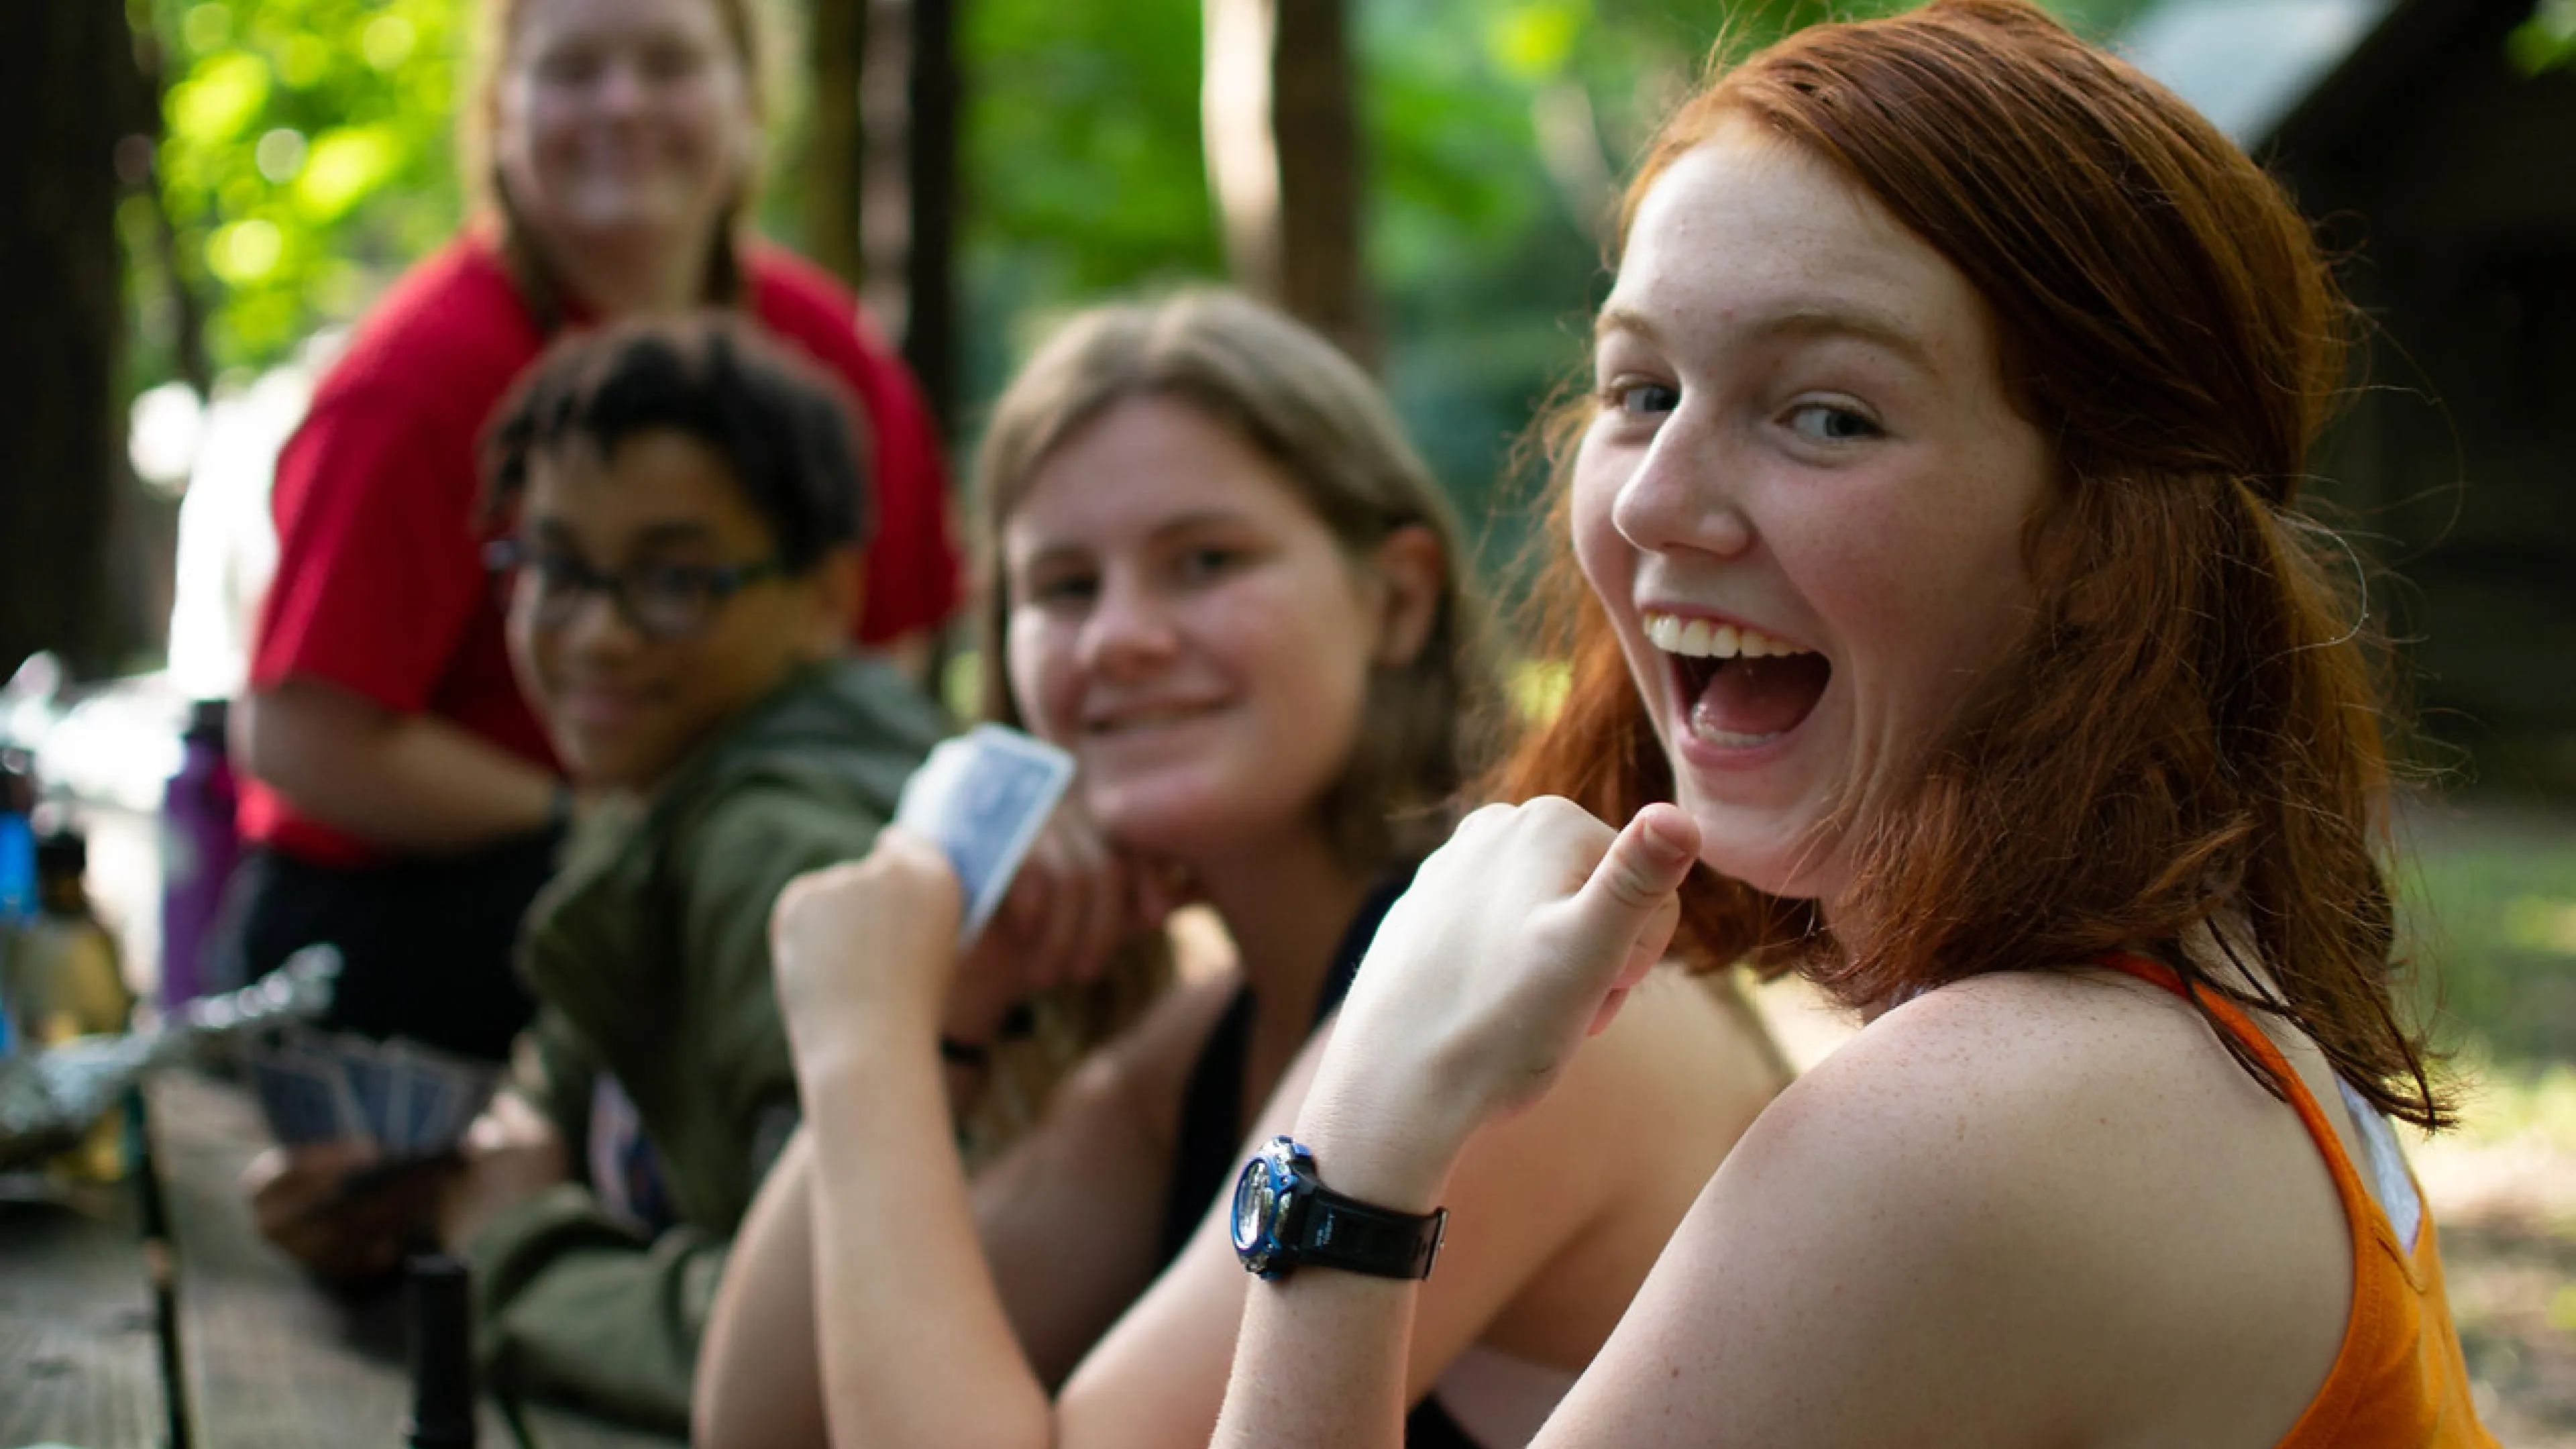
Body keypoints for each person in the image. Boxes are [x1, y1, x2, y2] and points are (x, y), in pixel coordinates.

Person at [1204, 4, 2500, 1447]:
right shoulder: (2189, 1032)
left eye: (1826, 415)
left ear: (2100, 534)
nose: (1648, 501)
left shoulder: (1973, 1130)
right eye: (1643, 389)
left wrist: (1361, 1143)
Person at [690, 291, 1790, 1449]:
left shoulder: (1540, 995)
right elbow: (762, 1424)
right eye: (1064, 587)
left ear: (1396, 598)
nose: (1121, 635)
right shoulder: (1204, 1043)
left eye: (1204, 560)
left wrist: (864, 1043)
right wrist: (941, 1022)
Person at [249, 313, 953, 1431]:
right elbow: (553, 1118)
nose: (600, 635)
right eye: (558, 567)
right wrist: (417, 1197)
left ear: (825, 599)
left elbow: (840, 1335)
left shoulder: (783, 863)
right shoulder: (653, 809)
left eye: (676, 579)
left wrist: (507, 1257)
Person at [222, 0, 960, 1064]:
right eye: (574, 72)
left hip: (741, 860)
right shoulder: (414, 385)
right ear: (497, 115)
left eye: (667, 64)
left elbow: (884, 652)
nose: (622, 103)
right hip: (417, 911)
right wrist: (609, 829)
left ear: (750, 100)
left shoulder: (825, 355)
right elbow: (302, 734)